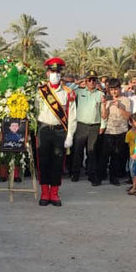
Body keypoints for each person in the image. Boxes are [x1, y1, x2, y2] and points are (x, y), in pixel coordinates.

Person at [35, 57, 77, 205]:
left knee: (58, 162)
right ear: (47, 73)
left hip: (60, 131)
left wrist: (70, 135)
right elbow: (34, 111)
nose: (55, 75)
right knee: (43, 162)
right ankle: (44, 193)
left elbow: (72, 116)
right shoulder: (40, 91)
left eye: (58, 72)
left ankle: (54, 193)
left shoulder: (68, 92)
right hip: (44, 130)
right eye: (53, 72)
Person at [71, 69, 103, 183]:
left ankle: (92, 174)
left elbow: (102, 110)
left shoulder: (100, 94)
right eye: (89, 80)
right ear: (86, 81)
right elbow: (68, 92)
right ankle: (75, 173)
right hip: (81, 125)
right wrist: (77, 83)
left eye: (94, 80)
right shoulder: (79, 92)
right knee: (77, 150)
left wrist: (103, 125)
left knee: (92, 151)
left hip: (95, 125)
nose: (92, 82)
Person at [99, 78, 131, 186]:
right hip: (109, 131)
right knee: (104, 155)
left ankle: (114, 177)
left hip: (121, 131)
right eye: (111, 90)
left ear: (119, 89)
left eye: (116, 89)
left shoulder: (126, 100)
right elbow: (104, 116)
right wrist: (104, 105)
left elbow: (128, 116)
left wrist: (120, 107)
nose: (114, 92)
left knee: (116, 156)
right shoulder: (107, 100)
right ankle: (100, 176)